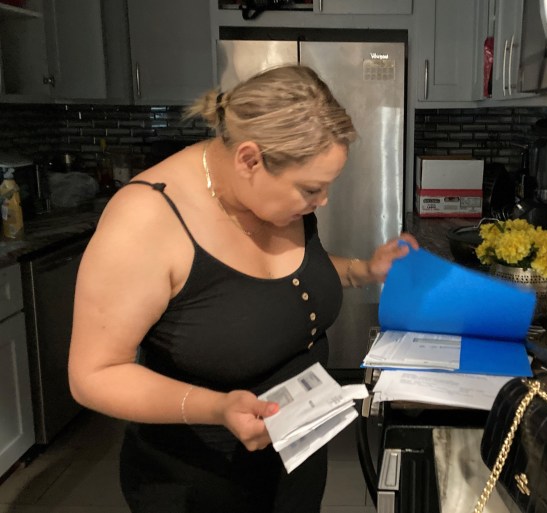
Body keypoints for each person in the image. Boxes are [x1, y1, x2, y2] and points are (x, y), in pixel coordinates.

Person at [68, 64, 418, 513]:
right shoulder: (146, 220)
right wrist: (216, 408)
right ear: (249, 159)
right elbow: (93, 375)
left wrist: (363, 270)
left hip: (297, 453)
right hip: (200, 480)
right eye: (312, 189)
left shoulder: (276, 202)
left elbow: (280, 279)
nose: (323, 202)